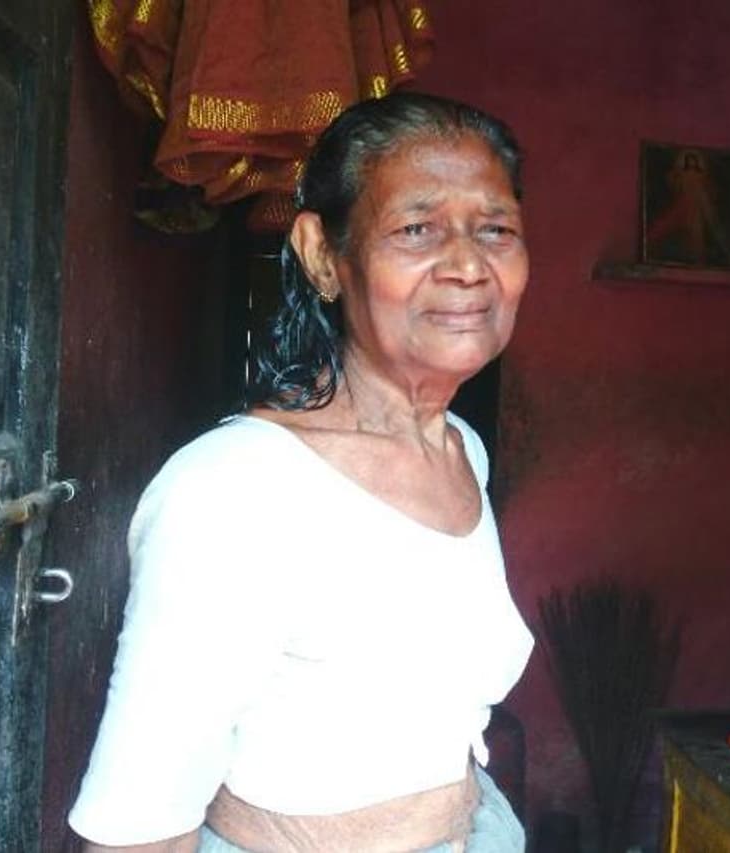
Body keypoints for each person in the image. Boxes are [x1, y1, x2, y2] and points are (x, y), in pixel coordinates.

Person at [68, 92, 535, 852]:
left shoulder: (461, 451)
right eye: (416, 229)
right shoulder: (235, 489)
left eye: (496, 230)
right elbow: (138, 827)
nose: (467, 266)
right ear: (322, 255)